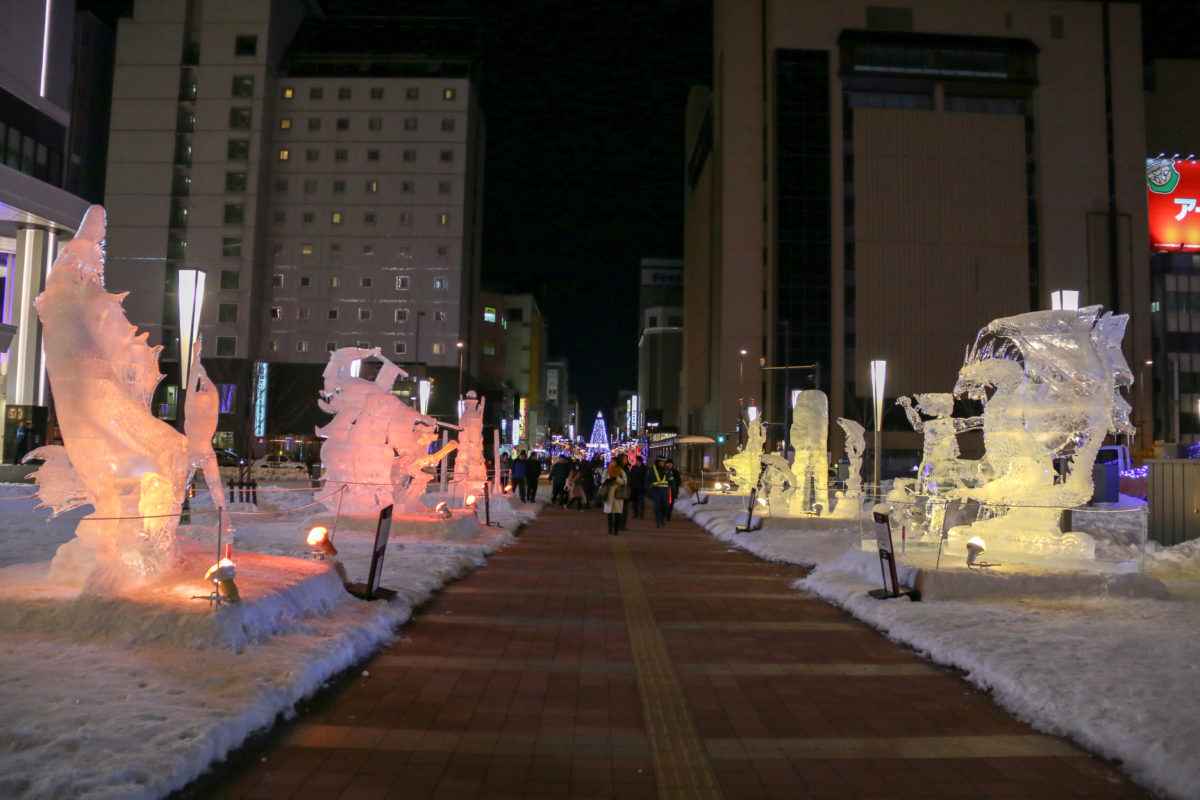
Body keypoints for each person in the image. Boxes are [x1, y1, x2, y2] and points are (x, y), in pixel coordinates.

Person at [599, 461, 627, 535]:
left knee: (617, 513)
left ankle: (616, 530)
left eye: (615, 462)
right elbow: (602, 480)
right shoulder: (606, 470)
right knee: (610, 513)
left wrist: (617, 479)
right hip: (608, 492)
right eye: (612, 462)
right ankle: (610, 528)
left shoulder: (621, 471)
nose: (613, 463)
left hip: (618, 493)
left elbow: (625, 481)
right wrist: (608, 481)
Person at [647, 456, 671, 528]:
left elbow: (671, 480)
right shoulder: (652, 470)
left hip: (665, 490)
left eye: (663, 462)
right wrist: (648, 489)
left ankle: (662, 518)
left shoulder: (667, 470)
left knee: (666, 505)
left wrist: (673, 488)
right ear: (657, 462)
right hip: (656, 489)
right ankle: (658, 521)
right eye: (661, 462)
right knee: (658, 505)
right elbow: (648, 479)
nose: (662, 463)